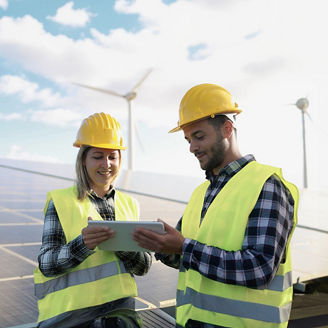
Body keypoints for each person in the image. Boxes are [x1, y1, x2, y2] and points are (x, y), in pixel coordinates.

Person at [133, 83, 299, 328]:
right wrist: (157, 244)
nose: (192, 147)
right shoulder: (201, 192)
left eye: (199, 137)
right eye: (188, 139)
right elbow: (184, 256)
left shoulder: (266, 185)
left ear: (227, 128)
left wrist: (184, 248)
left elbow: (259, 269)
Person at [34, 112, 151, 328]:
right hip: (70, 319)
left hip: (119, 316)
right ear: (84, 159)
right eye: (97, 156)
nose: (106, 164)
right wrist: (83, 245)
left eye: (112, 156)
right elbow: (46, 264)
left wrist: (123, 246)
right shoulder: (61, 202)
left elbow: (143, 267)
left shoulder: (130, 204)